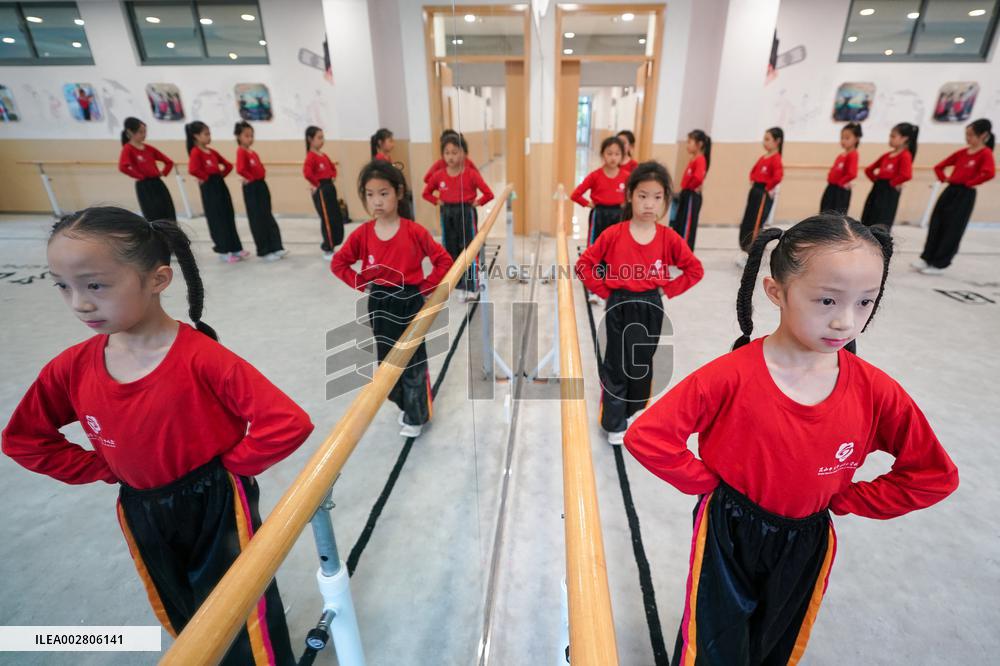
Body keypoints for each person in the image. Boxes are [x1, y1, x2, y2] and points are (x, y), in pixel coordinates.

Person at [624, 214, 959, 665]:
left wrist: (850, 499)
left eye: (865, 302)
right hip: (728, 529)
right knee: (716, 639)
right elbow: (649, 437)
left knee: (777, 637)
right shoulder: (730, 376)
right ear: (775, 291)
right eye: (826, 300)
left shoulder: (876, 391)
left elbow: (934, 475)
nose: (845, 321)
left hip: (808, 536)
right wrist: (707, 485)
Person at [2, 206, 313, 665]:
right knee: (180, 605)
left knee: (239, 606)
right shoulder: (70, 368)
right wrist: (102, 466)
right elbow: (24, 438)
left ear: (158, 280)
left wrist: (229, 468)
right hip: (141, 506)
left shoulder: (201, 358)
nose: (79, 303)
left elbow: (287, 422)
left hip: (217, 502)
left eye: (95, 285)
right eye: (63, 286)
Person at [576, 161, 704, 446]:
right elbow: (585, 264)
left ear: (666, 201)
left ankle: (633, 409)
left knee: (641, 363)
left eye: (657, 197)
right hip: (620, 304)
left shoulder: (669, 238)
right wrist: (605, 290)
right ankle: (613, 421)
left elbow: (694, 269)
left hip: (650, 306)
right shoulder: (613, 234)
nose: (649, 204)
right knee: (616, 364)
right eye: (643, 196)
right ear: (630, 196)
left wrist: (666, 291)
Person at [332, 161, 453, 438]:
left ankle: (417, 414)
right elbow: (339, 263)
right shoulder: (362, 234)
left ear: (398, 193)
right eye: (370, 194)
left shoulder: (414, 231)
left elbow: (443, 260)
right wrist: (362, 285)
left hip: (410, 301)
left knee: (413, 362)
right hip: (380, 304)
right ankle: (404, 402)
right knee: (387, 364)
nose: (377, 201)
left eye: (384, 193)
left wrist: (425, 288)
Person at [914, 118, 995, 275]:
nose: (967, 138)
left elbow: (989, 172)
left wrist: (971, 182)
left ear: (983, 135)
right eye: (967, 134)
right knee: (937, 223)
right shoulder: (962, 153)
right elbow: (939, 166)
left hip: (965, 194)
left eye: (971, 135)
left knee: (953, 228)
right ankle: (926, 257)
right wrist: (944, 178)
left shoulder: (985, 153)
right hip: (950, 190)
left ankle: (939, 263)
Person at [422, 133, 494, 301]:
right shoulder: (439, 175)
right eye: (447, 153)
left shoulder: (470, 174)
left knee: (469, 248)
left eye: (455, 152)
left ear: (464, 153)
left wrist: (478, 202)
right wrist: (436, 200)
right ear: (442, 155)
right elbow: (425, 193)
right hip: (447, 213)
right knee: (449, 248)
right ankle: (454, 282)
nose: (451, 157)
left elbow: (488, 194)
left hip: (466, 212)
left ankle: (471, 285)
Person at [186, 122, 245, 262]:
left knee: (227, 215)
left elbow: (228, 165)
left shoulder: (211, 151)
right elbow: (193, 169)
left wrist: (219, 176)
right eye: (206, 134)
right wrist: (206, 178)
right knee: (216, 218)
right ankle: (223, 251)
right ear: (196, 136)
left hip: (219, 185)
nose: (209, 137)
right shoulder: (196, 152)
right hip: (209, 188)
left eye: (209, 133)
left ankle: (235, 248)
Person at [234, 121, 287, 261]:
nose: (250, 138)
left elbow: (260, 168)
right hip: (252, 188)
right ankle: (264, 251)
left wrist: (260, 176)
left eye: (252, 135)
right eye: (246, 136)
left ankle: (276, 247)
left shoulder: (253, 152)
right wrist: (251, 179)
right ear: (238, 136)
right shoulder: (241, 152)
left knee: (267, 215)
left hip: (261, 185)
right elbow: (240, 169)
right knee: (257, 219)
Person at [571, 136, 628, 246]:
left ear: (622, 156)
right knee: (596, 244)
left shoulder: (626, 176)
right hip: (599, 215)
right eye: (609, 153)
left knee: (616, 244)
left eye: (617, 154)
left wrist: (627, 203)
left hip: (619, 215)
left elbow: (633, 194)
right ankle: (594, 263)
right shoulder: (595, 176)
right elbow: (575, 195)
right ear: (603, 155)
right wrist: (588, 204)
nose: (613, 158)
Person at [737, 127, 784, 261]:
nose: (765, 142)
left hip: (763, 193)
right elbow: (753, 171)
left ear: (777, 141)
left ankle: (753, 252)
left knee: (757, 222)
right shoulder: (763, 157)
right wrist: (753, 179)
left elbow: (778, 176)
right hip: (755, 191)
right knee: (748, 219)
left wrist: (768, 187)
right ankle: (745, 247)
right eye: (764, 139)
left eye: (768, 139)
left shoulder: (776, 159)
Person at [118, 117, 176, 223]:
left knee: (167, 210)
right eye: (141, 132)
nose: (144, 134)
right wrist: (140, 176)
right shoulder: (128, 149)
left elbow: (169, 162)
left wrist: (163, 172)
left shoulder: (149, 148)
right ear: (130, 132)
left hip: (158, 183)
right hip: (144, 186)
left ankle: (173, 234)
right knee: (153, 214)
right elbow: (123, 167)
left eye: (145, 132)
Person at [861, 122, 918, 229]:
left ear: (904, 138)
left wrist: (892, 183)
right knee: (869, 215)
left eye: (893, 136)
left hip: (889, 192)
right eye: (890, 136)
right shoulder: (886, 155)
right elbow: (869, 170)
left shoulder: (905, 155)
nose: (890, 139)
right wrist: (876, 181)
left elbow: (906, 175)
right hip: (878, 188)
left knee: (882, 218)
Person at [303, 125, 344, 260]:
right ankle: (327, 248)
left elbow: (333, 169)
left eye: (323, 137)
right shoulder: (311, 156)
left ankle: (334, 244)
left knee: (335, 217)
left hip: (329, 187)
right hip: (321, 190)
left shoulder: (324, 155)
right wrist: (317, 184)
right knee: (327, 219)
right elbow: (307, 173)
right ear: (310, 139)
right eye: (319, 138)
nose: (322, 140)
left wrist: (331, 176)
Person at [671, 129, 711, 250]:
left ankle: (685, 251)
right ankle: (678, 249)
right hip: (686, 194)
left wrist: (691, 188)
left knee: (687, 226)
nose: (687, 145)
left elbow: (698, 178)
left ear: (699, 144)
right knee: (680, 222)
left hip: (691, 196)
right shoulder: (694, 158)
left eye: (689, 142)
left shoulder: (700, 159)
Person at [820, 122, 862, 215]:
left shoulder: (853, 154)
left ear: (856, 139)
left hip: (840, 190)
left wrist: (841, 183)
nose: (843, 141)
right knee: (825, 210)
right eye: (842, 138)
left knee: (837, 214)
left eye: (847, 138)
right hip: (832, 187)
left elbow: (852, 173)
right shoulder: (841, 155)